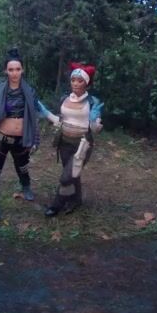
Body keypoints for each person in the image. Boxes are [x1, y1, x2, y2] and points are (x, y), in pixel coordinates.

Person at [0, 48, 44, 220]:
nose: (14, 73)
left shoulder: (30, 92)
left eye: (17, 69)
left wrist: (36, 139)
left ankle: (26, 186)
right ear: (5, 71)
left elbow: (35, 117)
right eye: (11, 69)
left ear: (22, 70)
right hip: (0, 139)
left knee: (23, 166)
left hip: (22, 138)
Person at [40, 62, 104, 217]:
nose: (75, 83)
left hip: (82, 145)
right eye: (73, 80)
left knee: (66, 177)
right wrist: (45, 112)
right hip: (64, 143)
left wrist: (95, 122)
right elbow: (60, 119)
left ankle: (56, 205)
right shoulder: (65, 98)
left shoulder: (92, 102)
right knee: (73, 175)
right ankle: (76, 199)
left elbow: (95, 128)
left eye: (80, 80)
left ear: (86, 83)